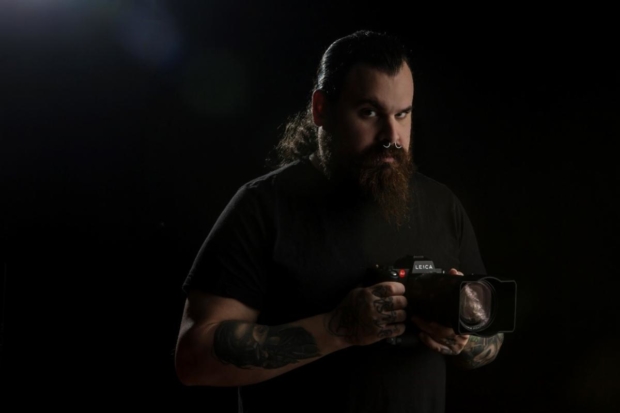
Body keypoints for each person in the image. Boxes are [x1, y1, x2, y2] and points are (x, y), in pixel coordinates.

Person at [175, 30, 504, 413]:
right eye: (369, 112)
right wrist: (338, 329)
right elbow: (194, 356)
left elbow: (492, 339)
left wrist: (464, 335)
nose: (392, 136)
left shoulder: (442, 205)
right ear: (321, 109)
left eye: (402, 114)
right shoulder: (263, 206)